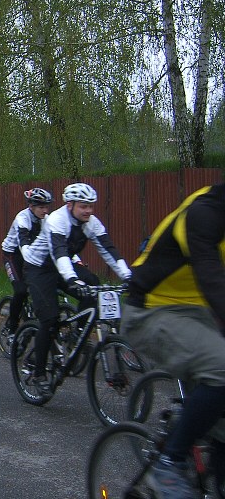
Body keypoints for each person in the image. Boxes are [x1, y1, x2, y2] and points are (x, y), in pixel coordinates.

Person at [122, 182, 225, 497]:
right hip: (151, 309)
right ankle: (170, 461)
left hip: (199, 313)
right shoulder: (205, 212)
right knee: (222, 368)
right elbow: (211, 277)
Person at [23, 182, 131, 398]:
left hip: (63, 266)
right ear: (70, 204)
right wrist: (72, 280)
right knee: (49, 319)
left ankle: (76, 336)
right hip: (39, 268)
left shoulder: (91, 223)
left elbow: (108, 249)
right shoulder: (56, 220)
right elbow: (59, 252)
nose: (89, 210)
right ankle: (39, 373)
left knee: (93, 284)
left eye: (91, 206)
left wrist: (128, 276)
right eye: (84, 206)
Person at [0, 188, 53, 339]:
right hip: (12, 254)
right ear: (31, 206)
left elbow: (57, 241)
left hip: (31, 254)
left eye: (46, 207)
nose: (45, 210)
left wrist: (75, 260)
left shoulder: (46, 220)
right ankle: (12, 327)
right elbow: (23, 242)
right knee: (21, 290)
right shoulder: (22, 218)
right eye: (41, 207)